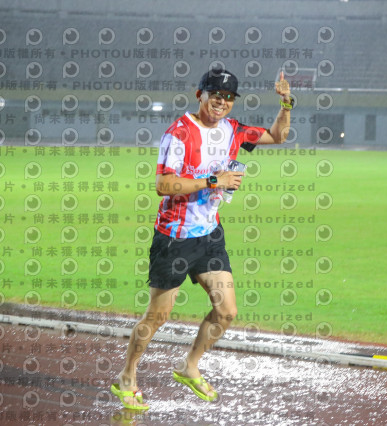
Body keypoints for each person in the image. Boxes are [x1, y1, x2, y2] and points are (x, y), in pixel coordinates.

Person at [111, 68, 293, 410]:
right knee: (157, 317)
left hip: (209, 236)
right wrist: (213, 181)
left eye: (228, 98)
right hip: (174, 238)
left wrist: (286, 103)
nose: (221, 102)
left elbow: (277, 136)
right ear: (200, 95)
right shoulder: (179, 134)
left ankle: (189, 366)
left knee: (226, 311)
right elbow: (164, 185)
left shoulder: (233, 130)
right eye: (215, 95)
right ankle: (127, 376)